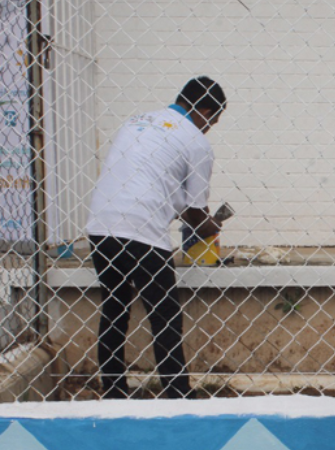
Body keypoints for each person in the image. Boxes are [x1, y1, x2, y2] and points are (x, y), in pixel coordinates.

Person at [86, 76, 226, 399]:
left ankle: (114, 393)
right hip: (142, 233)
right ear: (204, 112)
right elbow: (194, 211)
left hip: (101, 226)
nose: (210, 129)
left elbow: (150, 182)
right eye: (213, 121)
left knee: (115, 308)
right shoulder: (196, 141)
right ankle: (178, 395)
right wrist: (211, 225)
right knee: (164, 316)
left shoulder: (136, 121)